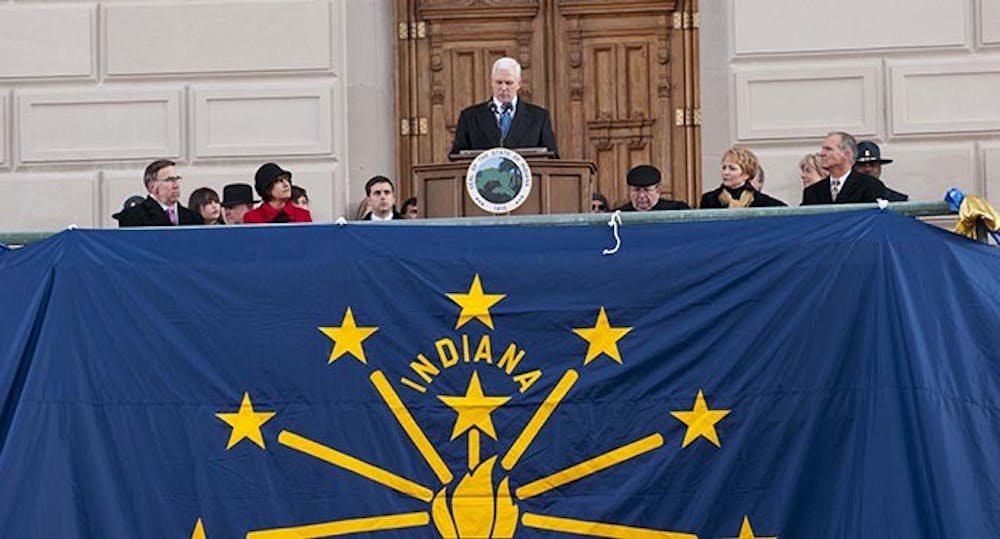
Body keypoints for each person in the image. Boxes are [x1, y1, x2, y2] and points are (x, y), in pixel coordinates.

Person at [450, 57, 559, 157]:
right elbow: (457, 157)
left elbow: (551, 157)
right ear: (491, 82)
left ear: (519, 83)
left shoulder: (539, 117)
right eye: (499, 82)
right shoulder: (470, 117)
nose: (503, 88)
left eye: (508, 83)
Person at [802, 131, 886, 205]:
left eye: (828, 149)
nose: (822, 154)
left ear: (846, 154)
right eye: (823, 149)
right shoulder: (812, 192)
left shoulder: (870, 186)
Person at [114, 159, 203, 227]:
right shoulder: (133, 217)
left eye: (177, 179)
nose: (176, 185)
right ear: (152, 186)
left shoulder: (193, 217)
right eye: (169, 180)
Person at [700, 146, 786, 209]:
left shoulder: (760, 202)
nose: (725, 172)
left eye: (732, 169)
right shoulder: (709, 200)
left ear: (746, 174)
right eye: (724, 167)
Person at [243, 163, 312, 224]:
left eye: (287, 179)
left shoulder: (303, 215)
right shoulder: (252, 218)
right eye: (279, 181)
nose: (286, 184)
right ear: (267, 189)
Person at [617, 165, 690, 212]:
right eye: (636, 190)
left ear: (658, 190)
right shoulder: (619, 214)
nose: (641, 196)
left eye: (647, 190)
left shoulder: (677, 210)